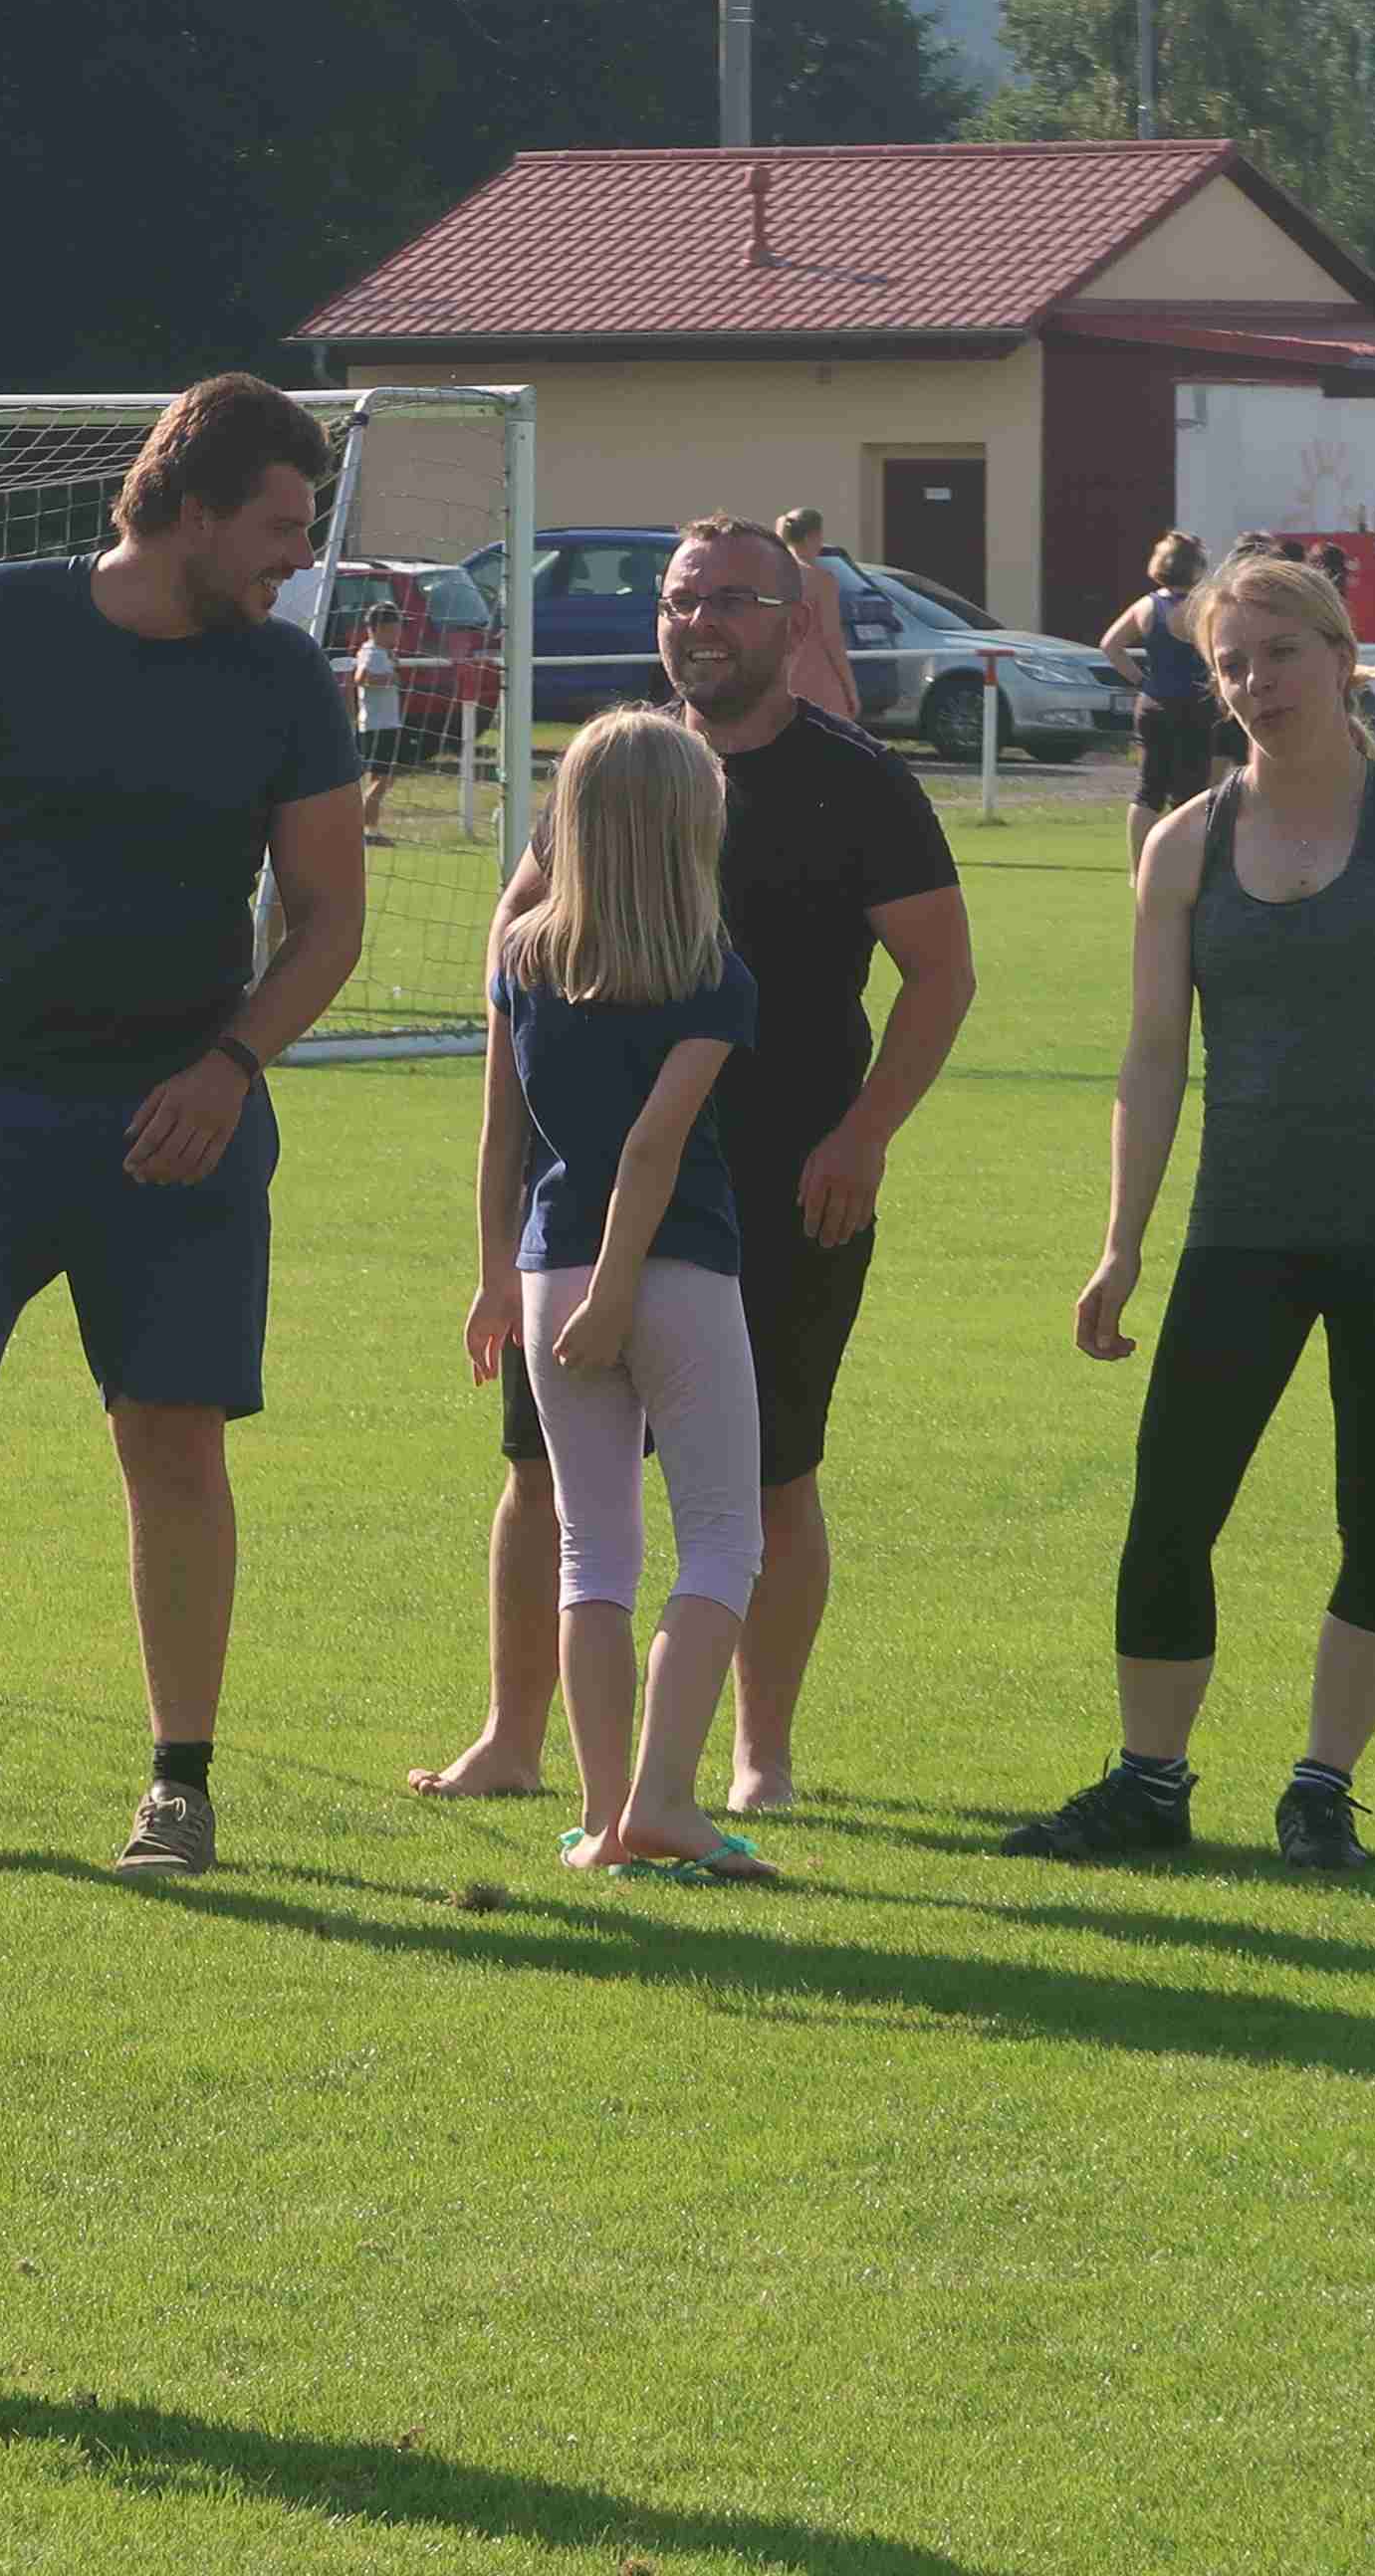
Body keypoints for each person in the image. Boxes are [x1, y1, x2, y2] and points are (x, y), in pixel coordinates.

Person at [0, 372, 362, 1875]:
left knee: (171, 1439)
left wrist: (232, 1067)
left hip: (179, 1114)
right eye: (278, 527)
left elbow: (328, 920)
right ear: (189, 509)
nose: (297, 559)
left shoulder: (284, 679)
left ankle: (179, 1782)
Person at [1006, 553, 1375, 1871]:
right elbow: (1153, 1056)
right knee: (1172, 1507)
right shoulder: (1183, 844)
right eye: (1233, 664)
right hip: (1242, 1227)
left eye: (1281, 654)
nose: (1257, 683)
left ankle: (1322, 1790)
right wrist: (1121, 1242)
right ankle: (1149, 1785)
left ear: (1342, 659)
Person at [419, 515, 970, 1816]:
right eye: (680, 601)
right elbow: (516, 946)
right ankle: (512, 1739)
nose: (700, 624)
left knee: (773, 1482)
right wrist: (504, 1218)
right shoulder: (615, 770)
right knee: (543, 1481)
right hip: (583, 1208)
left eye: (731, 600)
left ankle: (758, 1756)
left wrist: (863, 1134)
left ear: (795, 622)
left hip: (783, 1193)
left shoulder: (857, 784)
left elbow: (941, 974)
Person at [483, 711, 780, 1880]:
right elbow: (654, 1150)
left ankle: (604, 1820)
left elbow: (501, 1141)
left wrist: (494, 1282)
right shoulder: (712, 973)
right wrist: (615, 1292)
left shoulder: (521, 960)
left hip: (547, 1270)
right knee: (722, 1540)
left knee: (592, 1552)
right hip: (670, 1270)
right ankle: (660, 1802)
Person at [1101, 532, 1218, 873]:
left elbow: (1110, 645)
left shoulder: (1146, 606)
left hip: (1154, 704)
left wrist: (1142, 681)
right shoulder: (1205, 607)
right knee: (1192, 793)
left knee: (1148, 790)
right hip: (1197, 706)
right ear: (1196, 567)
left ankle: (1139, 871)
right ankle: (1185, 869)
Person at [767, 508, 863, 727]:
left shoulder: (770, 575)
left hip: (779, 678)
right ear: (812, 536)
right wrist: (850, 690)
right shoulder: (821, 580)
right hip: (818, 680)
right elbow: (832, 638)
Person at [347, 611, 412, 838]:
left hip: (385, 723)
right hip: (378, 725)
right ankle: (363, 828)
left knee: (383, 778)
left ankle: (370, 829)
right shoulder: (371, 651)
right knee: (384, 778)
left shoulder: (381, 652)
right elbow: (360, 678)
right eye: (394, 629)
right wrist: (390, 679)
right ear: (378, 629)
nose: (398, 634)